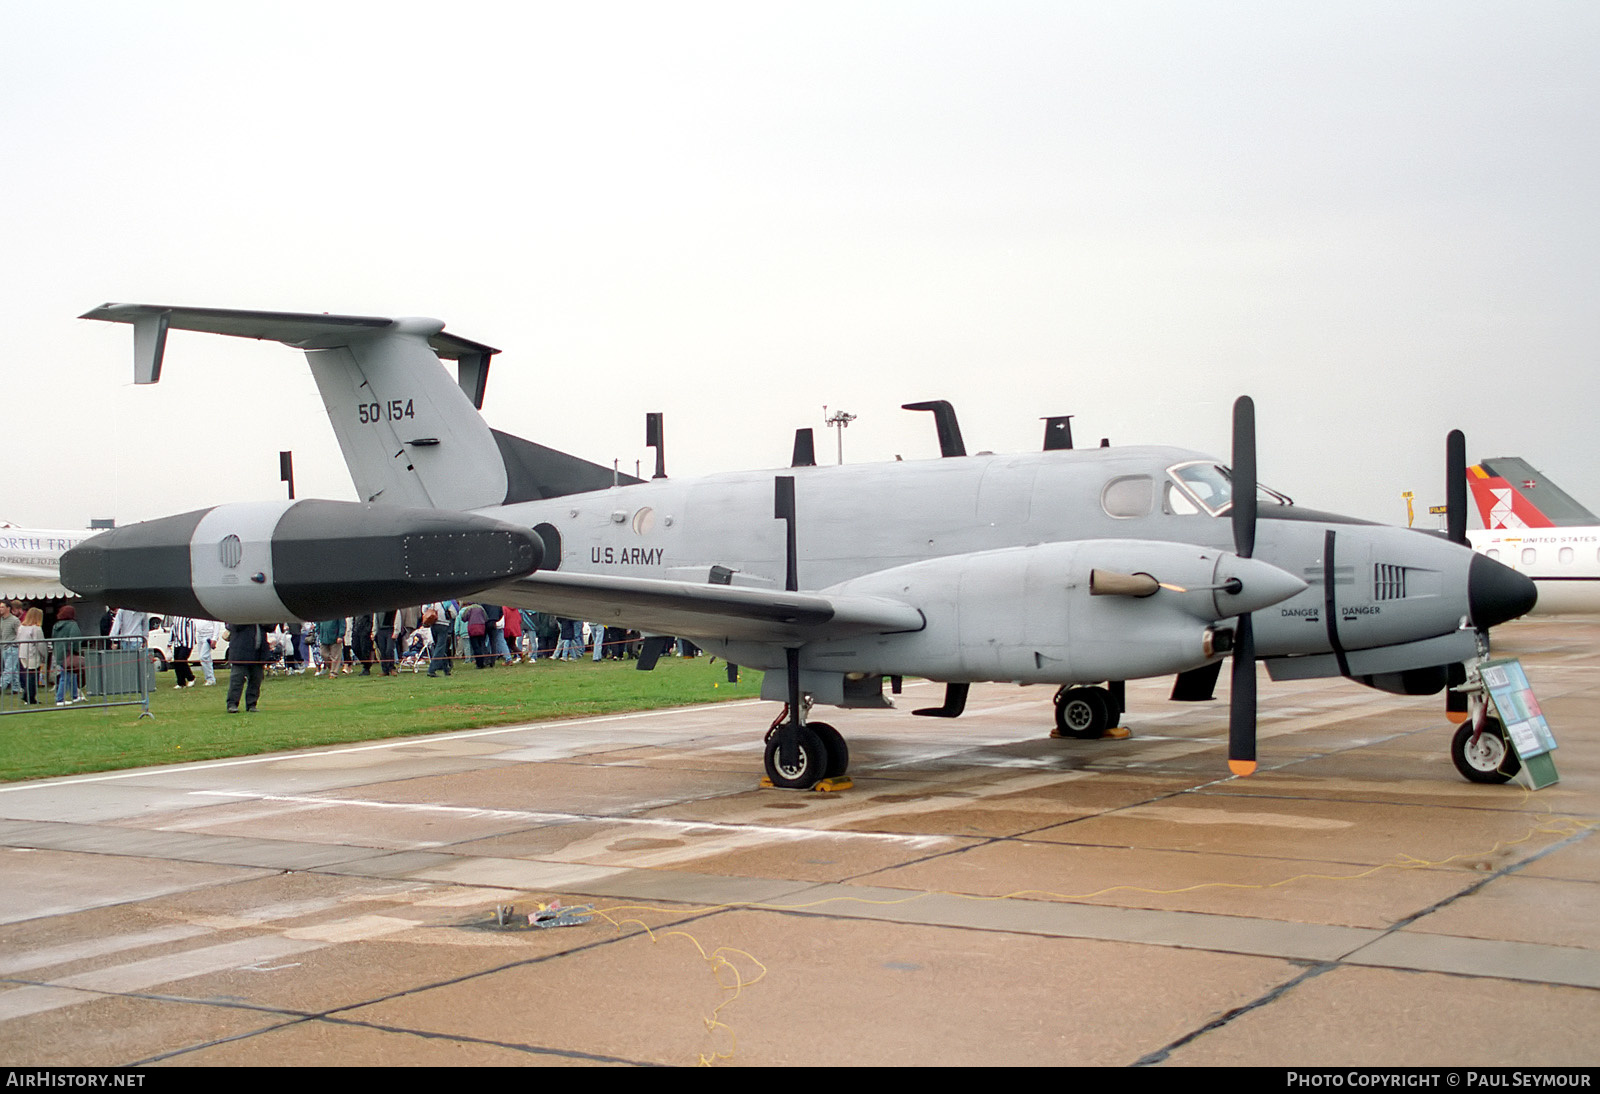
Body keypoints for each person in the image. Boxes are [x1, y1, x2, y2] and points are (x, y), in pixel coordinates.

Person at [225, 622, 272, 712]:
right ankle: (232, 704)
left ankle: (251, 704)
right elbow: (233, 625)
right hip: (240, 653)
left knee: (256, 680)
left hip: (258, 653)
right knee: (237, 680)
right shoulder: (237, 612)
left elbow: (271, 627)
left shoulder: (261, 615)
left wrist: (262, 620)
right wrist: (250, 618)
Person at [52, 604, 85, 705]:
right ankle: (59, 699)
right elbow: (76, 639)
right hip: (68, 653)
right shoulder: (72, 625)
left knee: (72, 674)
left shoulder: (55, 626)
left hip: (59, 653)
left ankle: (75, 696)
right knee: (65, 676)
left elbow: (53, 639)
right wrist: (76, 650)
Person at [15, 607, 46, 705]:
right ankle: (30, 697)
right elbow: (40, 644)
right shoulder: (36, 628)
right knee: (33, 676)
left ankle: (27, 695)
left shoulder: (21, 627)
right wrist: (44, 655)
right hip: (32, 653)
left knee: (28, 675)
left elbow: (18, 639)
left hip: (22, 653)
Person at [167, 614, 197, 688]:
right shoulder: (176, 617)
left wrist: (189, 644)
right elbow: (173, 630)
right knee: (177, 662)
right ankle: (181, 682)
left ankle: (191, 678)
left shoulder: (188, 618)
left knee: (182, 660)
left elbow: (192, 630)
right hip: (177, 643)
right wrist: (169, 643)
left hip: (186, 643)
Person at [0, 601, 19, 695]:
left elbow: (19, 634)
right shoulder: (1, 620)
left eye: (2, 607)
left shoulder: (15, 620)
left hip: (12, 647)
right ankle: (16, 688)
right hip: (3, 647)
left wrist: (15, 643)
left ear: (8, 608)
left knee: (8, 669)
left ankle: (1, 686)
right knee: (13, 669)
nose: (0, 609)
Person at [195, 618, 220, 685]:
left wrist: (214, 638)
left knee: (203, 657)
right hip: (199, 635)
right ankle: (210, 679)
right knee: (205, 658)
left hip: (208, 635)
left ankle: (210, 678)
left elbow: (216, 624)